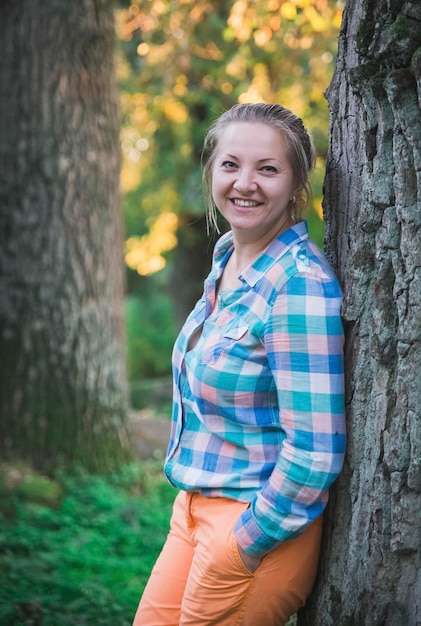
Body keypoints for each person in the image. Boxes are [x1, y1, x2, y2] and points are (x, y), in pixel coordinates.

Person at [132, 102, 346, 626]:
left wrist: (246, 544)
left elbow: (316, 453)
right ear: (212, 172)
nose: (244, 183)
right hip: (194, 510)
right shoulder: (229, 255)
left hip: (256, 529)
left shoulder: (298, 286)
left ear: (297, 184)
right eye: (231, 165)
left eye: (267, 169)